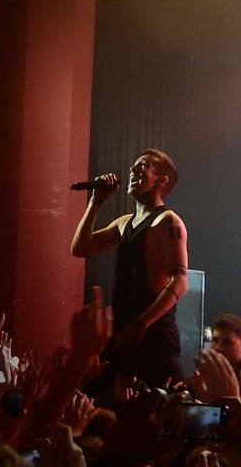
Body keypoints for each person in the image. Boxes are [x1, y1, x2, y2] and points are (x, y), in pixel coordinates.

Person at [71, 149, 188, 388]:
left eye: (142, 166)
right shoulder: (124, 223)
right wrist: (96, 201)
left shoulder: (168, 221)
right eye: (133, 166)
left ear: (161, 180)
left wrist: (140, 325)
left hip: (153, 339)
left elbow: (180, 281)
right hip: (123, 338)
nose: (133, 170)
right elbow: (80, 247)